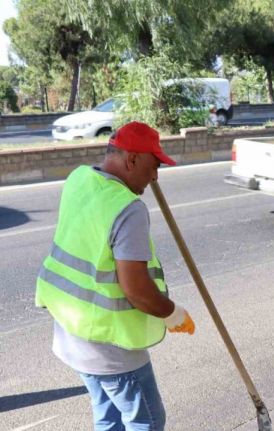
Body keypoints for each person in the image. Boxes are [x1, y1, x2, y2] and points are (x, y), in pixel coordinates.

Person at [35, 121, 195, 431]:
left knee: (109, 418)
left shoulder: (79, 178)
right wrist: (173, 313)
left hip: (72, 334)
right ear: (132, 160)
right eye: (153, 165)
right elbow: (137, 290)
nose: (155, 176)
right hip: (110, 348)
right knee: (146, 420)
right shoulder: (128, 208)